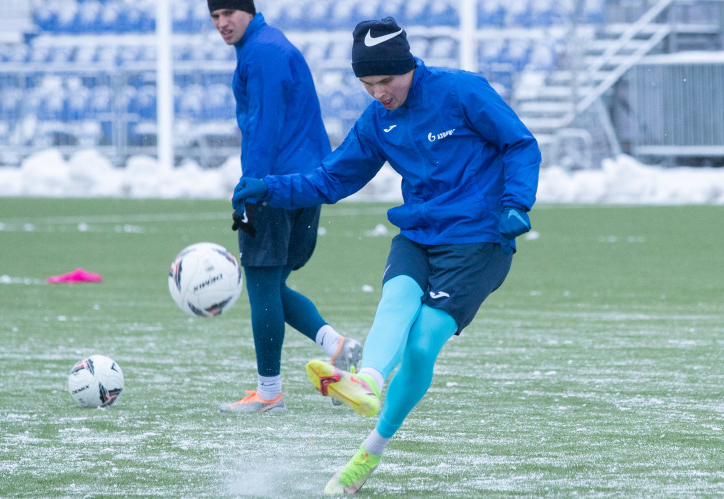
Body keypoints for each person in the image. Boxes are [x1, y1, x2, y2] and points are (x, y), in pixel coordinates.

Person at [231, 17, 541, 492]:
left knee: (421, 345)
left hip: (479, 240)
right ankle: (369, 381)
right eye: (367, 84)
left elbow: (520, 143)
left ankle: (368, 452)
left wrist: (516, 202)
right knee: (397, 297)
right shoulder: (378, 120)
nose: (378, 92)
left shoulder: (461, 91)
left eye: (386, 81)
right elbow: (332, 178)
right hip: (417, 234)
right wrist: (269, 188)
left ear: (409, 66)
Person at [208, 0, 362, 414]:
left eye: (228, 14)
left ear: (248, 11)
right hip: (304, 181)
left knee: (261, 284)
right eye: (215, 17)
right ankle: (336, 344)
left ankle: (269, 393)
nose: (222, 23)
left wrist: (251, 186)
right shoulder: (273, 45)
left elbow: (265, 122)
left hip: (274, 183)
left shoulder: (261, 52)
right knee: (274, 285)